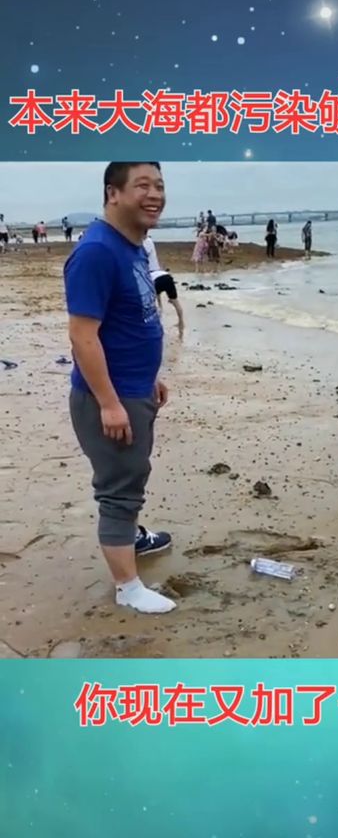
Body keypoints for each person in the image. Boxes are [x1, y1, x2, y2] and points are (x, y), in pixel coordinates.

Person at [63, 161, 176, 615]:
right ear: (113, 193)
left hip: (134, 388)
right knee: (120, 490)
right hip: (111, 398)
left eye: (160, 186)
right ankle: (128, 589)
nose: (155, 195)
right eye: (142, 185)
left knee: (132, 476)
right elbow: (82, 337)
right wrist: (110, 404)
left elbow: (130, 321)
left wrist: (150, 377)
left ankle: (132, 537)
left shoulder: (132, 246)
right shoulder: (97, 252)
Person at [144, 234, 184, 334]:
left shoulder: (144, 243)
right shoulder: (150, 241)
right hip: (167, 276)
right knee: (175, 302)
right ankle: (181, 322)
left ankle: (158, 322)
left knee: (153, 302)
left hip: (155, 278)